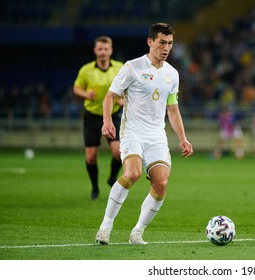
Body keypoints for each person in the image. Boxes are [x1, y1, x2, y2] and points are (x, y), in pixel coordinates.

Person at [95, 23, 193, 245]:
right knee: (132, 173)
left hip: (156, 136)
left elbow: (173, 109)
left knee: (161, 184)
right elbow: (110, 96)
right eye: (162, 42)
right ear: (150, 42)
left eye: (170, 43)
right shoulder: (132, 67)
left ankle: (137, 232)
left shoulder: (172, 74)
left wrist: (182, 138)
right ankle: (106, 226)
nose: (166, 48)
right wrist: (107, 121)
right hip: (132, 132)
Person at [73, 36, 124, 200]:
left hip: (113, 114)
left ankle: (111, 178)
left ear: (111, 50)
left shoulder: (120, 68)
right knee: (91, 156)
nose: (103, 52)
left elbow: (127, 88)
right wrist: (86, 94)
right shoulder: (86, 70)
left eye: (106, 49)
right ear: (95, 51)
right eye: (100, 49)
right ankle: (95, 188)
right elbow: (76, 88)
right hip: (92, 117)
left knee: (119, 152)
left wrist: (123, 99)